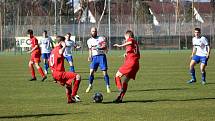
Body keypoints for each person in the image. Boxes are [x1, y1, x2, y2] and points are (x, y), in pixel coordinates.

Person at [49, 36, 81, 103]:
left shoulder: (52, 51)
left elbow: (51, 64)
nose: (65, 43)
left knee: (68, 84)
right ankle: (73, 94)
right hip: (59, 73)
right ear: (61, 42)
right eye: (64, 42)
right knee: (78, 76)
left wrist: (54, 77)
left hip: (55, 74)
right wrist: (64, 46)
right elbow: (60, 52)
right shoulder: (58, 49)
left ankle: (69, 100)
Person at [113, 30, 140, 103]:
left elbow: (130, 42)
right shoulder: (135, 44)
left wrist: (120, 45)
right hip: (136, 64)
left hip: (131, 63)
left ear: (128, 36)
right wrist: (126, 54)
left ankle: (120, 88)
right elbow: (134, 52)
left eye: (125, 37)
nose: (125, 39)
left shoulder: (131, 40)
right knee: (125, 81)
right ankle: (120, 98)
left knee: (117, 75)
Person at [85, 27, 111, 93]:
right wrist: (89, 56)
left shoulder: (101, 38)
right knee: (91, 72)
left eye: (95, 31)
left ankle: (108, 87)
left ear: (97, 32)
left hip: (101, 56)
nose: (94, 32)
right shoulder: (89, 41)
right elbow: (90, 49)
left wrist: (98, 48)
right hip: (94, 58)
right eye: (93, 31)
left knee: (104, 73)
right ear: (90, 32)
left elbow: (105, 47)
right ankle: (90, 85)